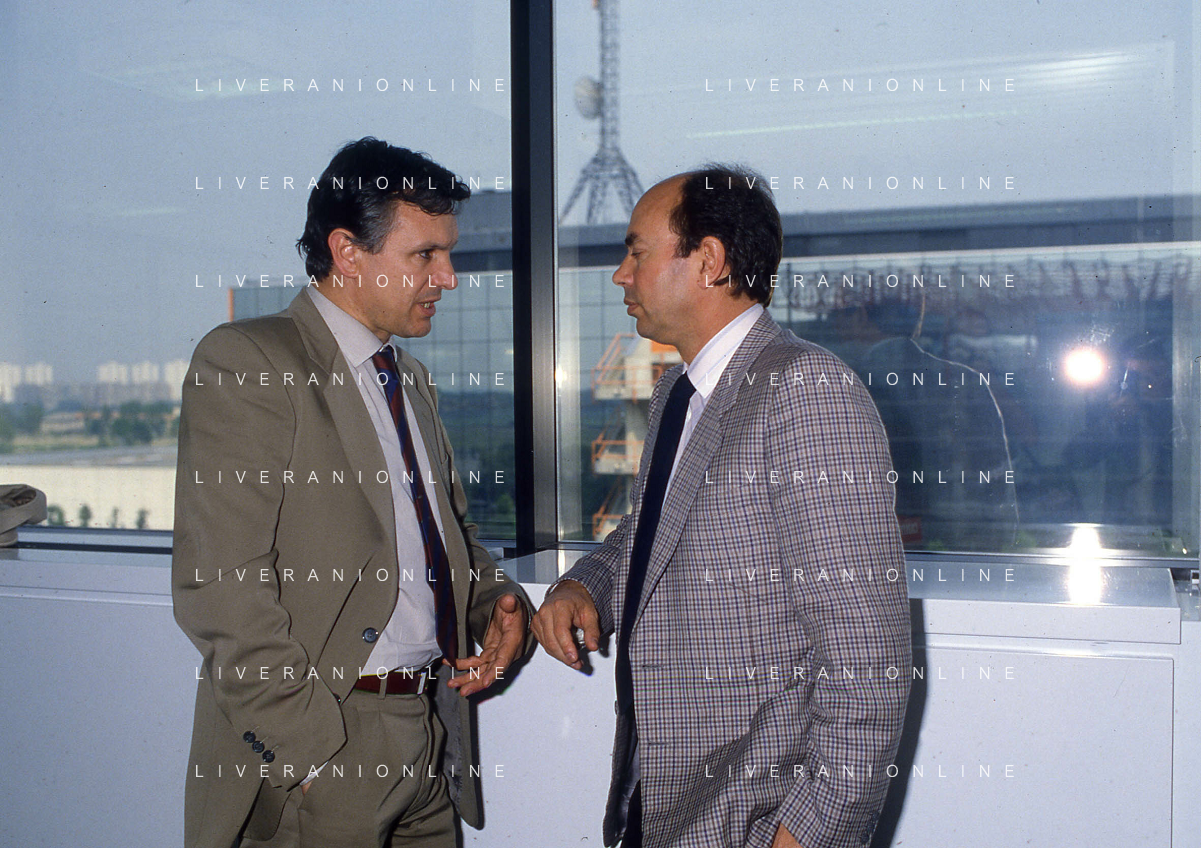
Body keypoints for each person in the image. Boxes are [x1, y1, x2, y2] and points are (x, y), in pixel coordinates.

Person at [532, 166, 911, 848]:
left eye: (636, 252)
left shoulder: (806, 390)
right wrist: (585, 585)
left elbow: (867, 663)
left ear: (708, 260)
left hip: (753, 824)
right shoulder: (680, 392)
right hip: (664, 807)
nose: (620, 275)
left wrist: (807, 837)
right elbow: (655, 532)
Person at [173, 137, 533, 848]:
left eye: (447, 254)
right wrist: (307, 752)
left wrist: (497, 603)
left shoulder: (408, 379)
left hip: (428, 735)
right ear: (347, 252)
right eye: (425, 255)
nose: (448, 277)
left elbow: (445, 539)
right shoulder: (250, 361)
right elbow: (219, 583)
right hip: (329, 740)